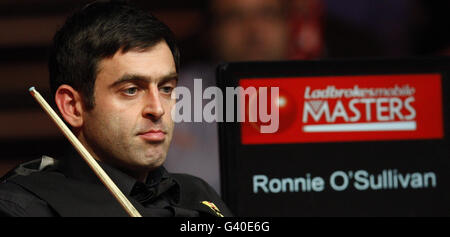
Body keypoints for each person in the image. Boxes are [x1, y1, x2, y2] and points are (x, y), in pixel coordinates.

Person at [0, 0, 232, 217]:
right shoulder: (23, 206)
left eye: (166, 88)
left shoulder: (198, 194)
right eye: (131, 90)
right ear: (73, 106)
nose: (157, 108)